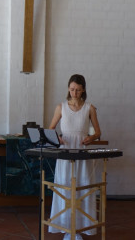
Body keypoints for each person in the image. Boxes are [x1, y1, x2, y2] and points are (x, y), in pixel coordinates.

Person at [47, 74, 102, 240]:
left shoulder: (89, 108)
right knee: (65, 187)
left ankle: (80, 228)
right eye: (71, 89)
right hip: (65, 152)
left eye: (78, 90)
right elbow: (51, 130)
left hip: (82, 152)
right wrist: (57, 138)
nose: (74, 92)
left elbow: (98, 132)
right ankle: (66, 227)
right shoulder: (61, 107)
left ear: (83, 89)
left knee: (82, 187)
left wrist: (90, 138)